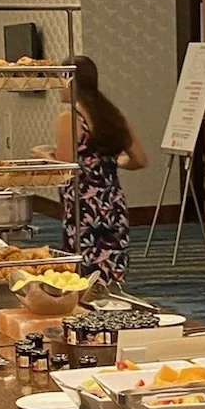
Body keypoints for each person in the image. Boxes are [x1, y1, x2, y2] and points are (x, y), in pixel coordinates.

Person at [54, 55, 147, 286]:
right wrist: (112, 164)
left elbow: (64, 168)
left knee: (82, 275)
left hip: (84, 207)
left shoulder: (70, 120)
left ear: (69, 81)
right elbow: (140, 159)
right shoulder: (111, 115)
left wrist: (45, 157)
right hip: (112, 203)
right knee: (111, 269)